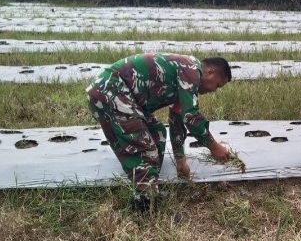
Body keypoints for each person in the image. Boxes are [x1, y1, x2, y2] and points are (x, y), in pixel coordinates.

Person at [86, 53, 232, 209]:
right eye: (217, 85)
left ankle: (150, 189)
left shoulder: (186, 79)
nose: (214, 90)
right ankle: (145, 204)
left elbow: (177, 119)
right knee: (144, 146)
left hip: (121, 95)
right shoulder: (191, 70)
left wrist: (180, 159)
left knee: (157, 133)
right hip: (110, 90)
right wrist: (214, 147)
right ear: (210, 72)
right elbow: (191, 117)